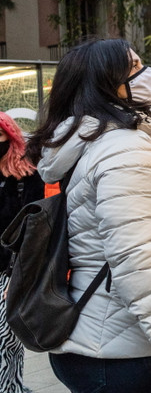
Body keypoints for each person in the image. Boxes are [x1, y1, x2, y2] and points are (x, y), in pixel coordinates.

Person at [25, 39, 151, 393]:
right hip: (128, 355)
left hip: (102, 342)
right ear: (107, 83)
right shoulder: (124, 150)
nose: (148, 72)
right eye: (136, 66)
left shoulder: (100, 143)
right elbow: (139, 259)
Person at [0, 112, 44, 392]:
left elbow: (35, 228)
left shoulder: (25, 174)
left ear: (10, 136)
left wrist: (21, 278)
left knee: (5, 342)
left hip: (10, 272)